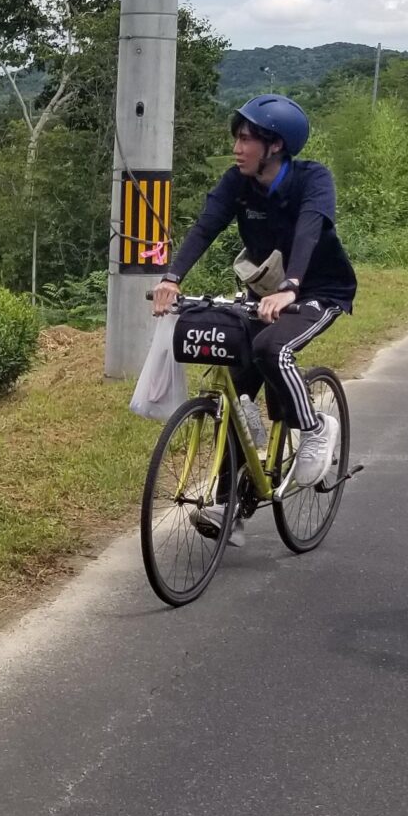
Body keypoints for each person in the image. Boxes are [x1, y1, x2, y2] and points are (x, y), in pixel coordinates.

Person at [149, 94, 359, 526]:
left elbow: (308, 230)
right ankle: (233, 503)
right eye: (237, 138)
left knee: (270, 350)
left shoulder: (312, 179)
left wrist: (292, 286)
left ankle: (314, 428)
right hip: (266, 291)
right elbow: (206, 226)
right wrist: (172, 277)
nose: (237, 147)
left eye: (247, 139)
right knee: (238, 386)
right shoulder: (236, 183)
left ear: (275, 145)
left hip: (319, 289)